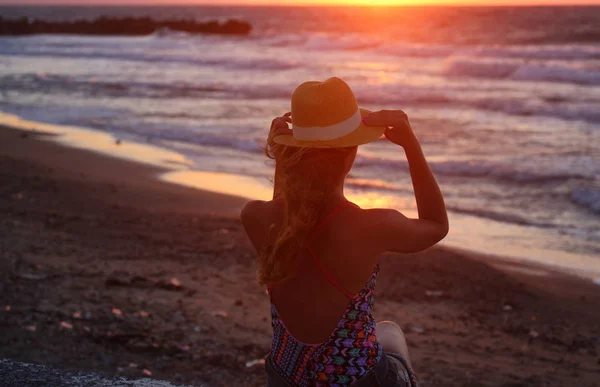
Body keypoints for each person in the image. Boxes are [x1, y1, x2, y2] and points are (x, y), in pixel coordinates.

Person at [241, 77, 448, 387]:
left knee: (386, 332)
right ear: (352, 154)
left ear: (292, 152)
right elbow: (436, 226)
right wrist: (411, 144)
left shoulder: (255, 217)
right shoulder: (371, 227)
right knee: (390, 332)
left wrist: (284, 155)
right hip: (355, 382)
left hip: (284, 379)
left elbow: (285, 211)